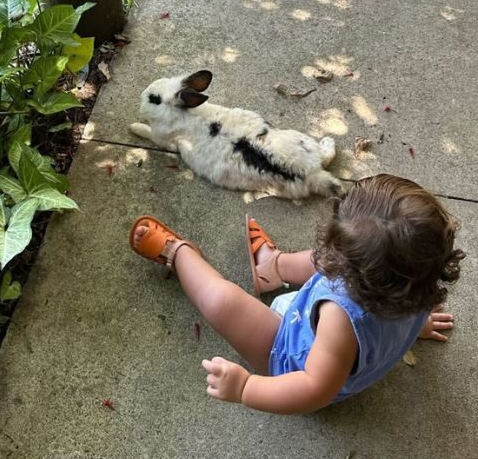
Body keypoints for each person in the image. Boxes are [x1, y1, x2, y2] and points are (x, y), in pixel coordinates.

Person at [129, 174, 465, 414]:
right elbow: (345, 263)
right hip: (341, 332)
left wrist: (246, 389)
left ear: (356, 278)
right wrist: (416, 325)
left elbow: (313, 388)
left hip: (291, 355)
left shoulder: (339, 320)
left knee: (222, 302)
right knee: (331, 259)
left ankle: (179, 255)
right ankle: (273, 266)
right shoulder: (416, 280)